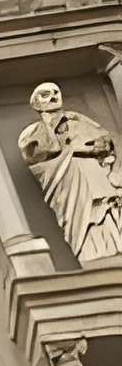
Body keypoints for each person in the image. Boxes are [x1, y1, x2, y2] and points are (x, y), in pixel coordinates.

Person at [17, 81, 122, 265]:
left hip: (94, 176)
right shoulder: (34, 131)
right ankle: (94, 254)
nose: (53, 97)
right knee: (84, 218)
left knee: (107, 209)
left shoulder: (78, 120)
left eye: (56, 93)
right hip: (69, 185)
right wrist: (78, 149)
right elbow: (43, 156)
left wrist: (95, 148)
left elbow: (104, 143)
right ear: (36, 103)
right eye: (46, 94)